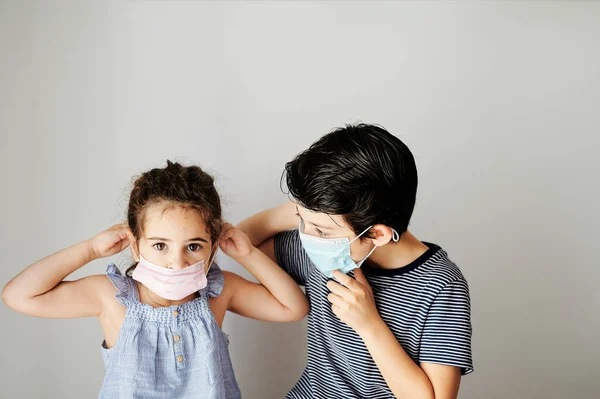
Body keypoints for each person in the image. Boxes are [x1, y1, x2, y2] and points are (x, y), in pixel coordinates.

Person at [2, 160, 309, 399]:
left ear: (213, 246)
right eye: (160, 246)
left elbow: (292, 308)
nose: (177, 262)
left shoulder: (218, 291)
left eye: (194, 246)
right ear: (135, 245)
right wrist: (91, 249)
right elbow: (19, 295)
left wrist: (247, 255)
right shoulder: (110, 297)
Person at [239, 123, 473, 399]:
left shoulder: (441, 287)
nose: (308, 236)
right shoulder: (325, 250)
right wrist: (304, 211)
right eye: (302, 221)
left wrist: (369, 324)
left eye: (321, 229)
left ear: (377, 233)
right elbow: (242, 241)